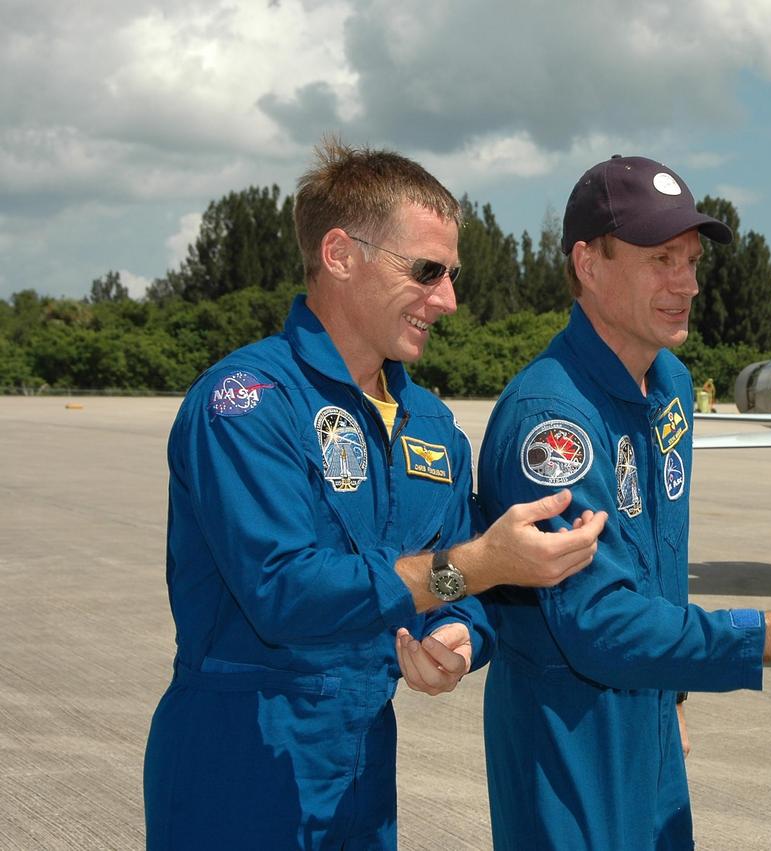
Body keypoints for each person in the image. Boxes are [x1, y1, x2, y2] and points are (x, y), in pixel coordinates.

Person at [435, 154, 771, 850]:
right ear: (589, 263)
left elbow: (656, 566)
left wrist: (678, 690)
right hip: (574, 741)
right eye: (661, 258)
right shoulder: (553, 422)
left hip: (653, 718)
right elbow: (598, 623)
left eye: (691, 260)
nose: (686, 283)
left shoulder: (668, 383)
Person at [142, 140, 608, 850]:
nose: (447, 300)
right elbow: (287, 590)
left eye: (452, 275)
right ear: (339, 253)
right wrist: (476, 567)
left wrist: (459, 635)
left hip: (361, 773)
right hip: (238, 769)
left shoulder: (431, 427)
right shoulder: (247, 405)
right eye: (426, 271)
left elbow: (461, 588)